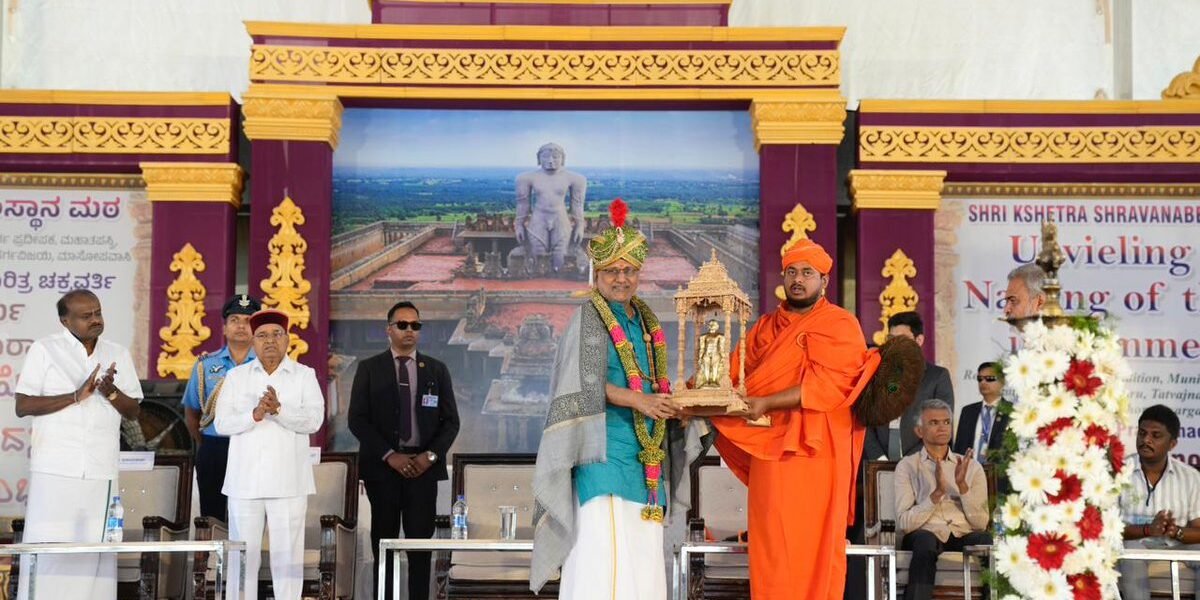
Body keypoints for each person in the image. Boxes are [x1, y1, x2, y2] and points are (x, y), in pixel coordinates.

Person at [530, 199, 708, 598]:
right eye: (612, 271)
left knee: (643, 560)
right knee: (602, 559)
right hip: (602, 457)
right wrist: (639, 401)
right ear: (597, 275)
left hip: (645, 460)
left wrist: (670, 406)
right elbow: (579, 381)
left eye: (629, 270)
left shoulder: (645, 320)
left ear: (639, 273)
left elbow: (654, 384)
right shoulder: (589, 319)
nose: (621, 279)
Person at [710, 239, 881, 600]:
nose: (798, 280)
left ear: (824, 280)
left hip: (820, 455)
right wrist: (698, 393)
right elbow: (734, 375)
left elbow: (826, 386)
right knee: (772, 543)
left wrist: (766, 402)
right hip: (773, 452)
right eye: (791, 272)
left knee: (815, 544)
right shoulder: (765, 328)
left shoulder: (840, 325)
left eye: (807, 273)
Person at [14, 289, 142, 600]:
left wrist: (111, 392)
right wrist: (76, 395)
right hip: (55, 469)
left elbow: (134, 411)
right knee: (52, 550)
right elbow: (24, 405)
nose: (96, 320)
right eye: (87, 316)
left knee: (96, 552)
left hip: (101, 469)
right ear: (65, 320)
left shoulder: (117, 353)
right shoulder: (45, 350)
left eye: (98, 313)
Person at [348, 300, 460, 600]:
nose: (410, 331)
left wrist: (430, 456)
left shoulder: (436, 369)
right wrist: (390, 455)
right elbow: (357, 420)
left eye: (416, 325)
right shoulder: (369, 369)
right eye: (403, 325)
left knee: (420, 549)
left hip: (423, 473)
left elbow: (451, 422)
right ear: (389, 329)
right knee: (383, 547)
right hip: (383, 472)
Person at [214, 309, 324, 600]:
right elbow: (221, 423)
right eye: (262, 336)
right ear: (252, 341)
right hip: (244, 483)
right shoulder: (236, 377)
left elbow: (314, 421)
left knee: (287, 560)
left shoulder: (304, 375)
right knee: (243, 559)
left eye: (277, 334)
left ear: (288, 339)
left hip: (289, 483)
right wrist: (256, 414)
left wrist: (279, 410)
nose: (270, 341)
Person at [894, 399, 990, 600]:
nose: (942, 428)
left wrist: (963, 487)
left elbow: (981, 523)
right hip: (926, 533)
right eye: (934, 422)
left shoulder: (972, 467)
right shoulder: (908, 466)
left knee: (986, 542)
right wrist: (936, 495)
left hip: (963, 533)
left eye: (946, 422)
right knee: (925, 541)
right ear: (919, 431)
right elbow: (904, 524)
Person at [182, 293, 261, 522]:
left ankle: (247, 558)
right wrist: (206, 441)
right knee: (212, 515)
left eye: (248, 321)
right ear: (224, 327)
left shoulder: (266, 366)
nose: (241, 326)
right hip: (215, 447)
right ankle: (209, 558)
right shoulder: (206, 365)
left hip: (253, 446)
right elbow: (192, 413)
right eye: (235, 320)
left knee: (249, 517)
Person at [1118, 405, 1200, 600]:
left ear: (1172, 444)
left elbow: (1198, 529)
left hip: (1176, 545)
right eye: (1143, 433)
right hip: (1134, 545)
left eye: (1156, 435)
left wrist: (1177, 531)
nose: (1146, 440)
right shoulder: (1119, 472)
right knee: (1131, 553)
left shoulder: (1191, 477)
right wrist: (1148, 529)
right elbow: (1107, 529)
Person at [864, 311, 955, 461]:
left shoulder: (937, 377)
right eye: (891, 339)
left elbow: (941, 427)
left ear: (919, 340)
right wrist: (880, 459)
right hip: (879, 464)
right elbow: (865, 422)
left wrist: (909, 462)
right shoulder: (877, 375)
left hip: (922, 465)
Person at [514, 142, 588, 272]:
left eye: (555, 157)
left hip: (560, 217)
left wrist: (580, 225)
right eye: (546, 157)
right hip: (539, 218)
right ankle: (537, 286)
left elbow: (577, 204)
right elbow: (523, 204)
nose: (550, 161)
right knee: (538, 254)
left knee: (560, 254)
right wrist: (519, 224)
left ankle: (559, 283)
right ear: (538, 158)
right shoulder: (525, 178)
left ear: (563, 159)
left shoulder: (576, 179)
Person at [952, 361, 1010, 463]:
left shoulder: (1012, 412)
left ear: (1002, 382)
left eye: (989, 379)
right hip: (970, 475)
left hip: (999, 475)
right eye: (980, 379)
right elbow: (959, 448)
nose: (983, 382)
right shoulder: (968, 411)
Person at [696, 319, 726, 388]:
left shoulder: (720, 336)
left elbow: (721, 348)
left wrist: (723, 357)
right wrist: (700, 357)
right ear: (708, 326)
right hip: (706, 353)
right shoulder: (704, 336)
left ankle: (714, 381)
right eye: (710, 324)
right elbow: (702, 348)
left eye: (714, 324)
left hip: (716, 353)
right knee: (706, 367)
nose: (712, 326)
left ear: (717, 326)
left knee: (715, 367)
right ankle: (706, 381)